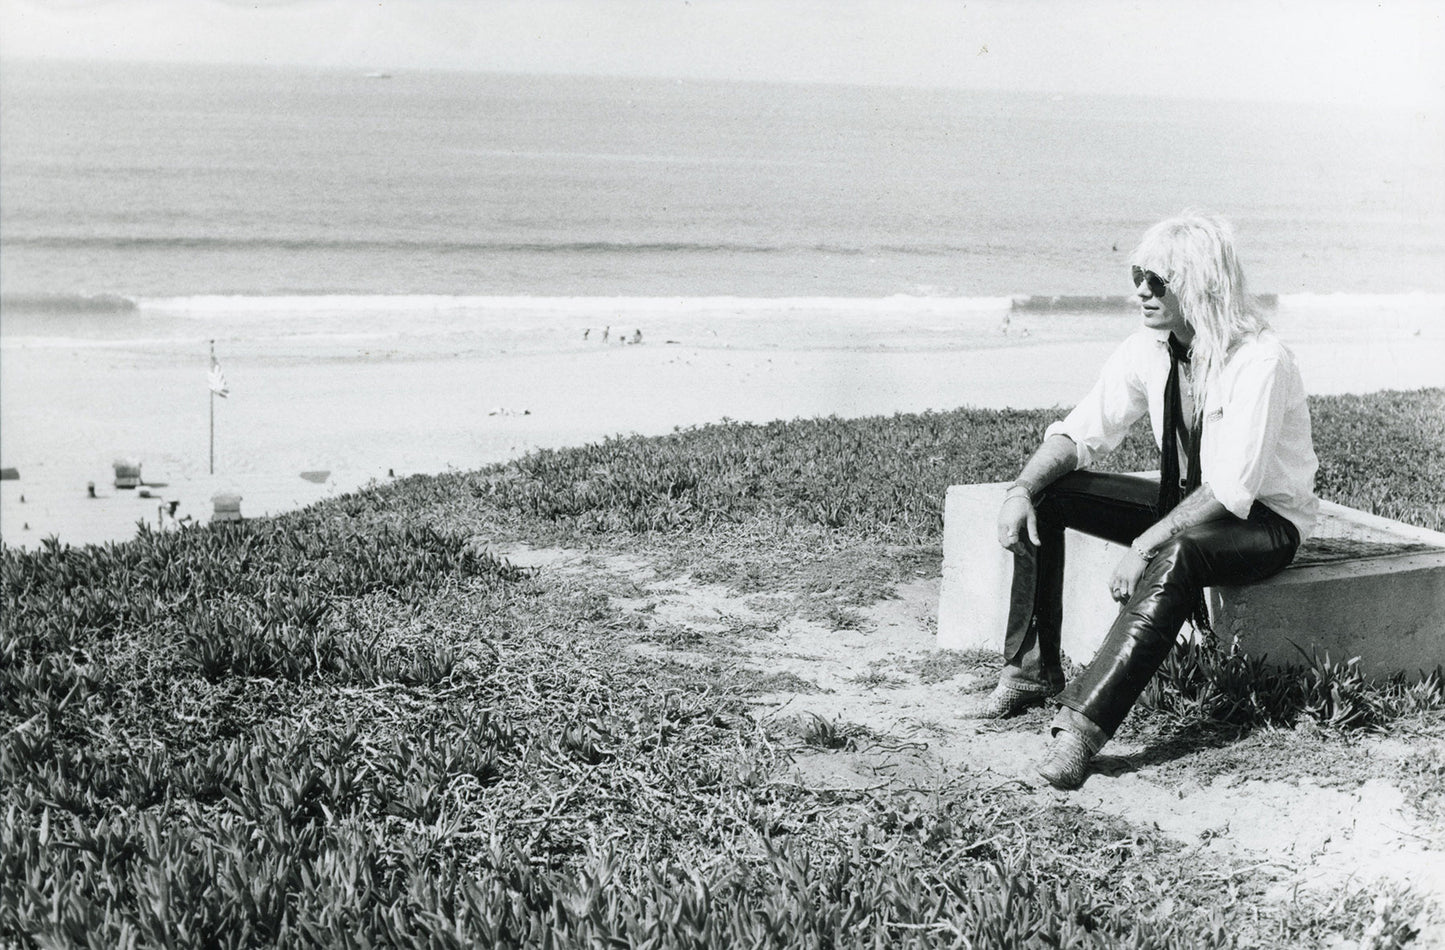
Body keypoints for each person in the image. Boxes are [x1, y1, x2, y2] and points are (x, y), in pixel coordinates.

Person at [975, 212, 1319, 789]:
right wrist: (1021, 489)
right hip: (1184, 503)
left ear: (1200, 285)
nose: (1141, 290)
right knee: (1051, 495)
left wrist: (1143, 546)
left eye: (1158, 280)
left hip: (1264, 521)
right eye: (1138, 276)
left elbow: (1231, 488)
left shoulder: (1260, 359)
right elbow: (1083, 430)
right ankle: (1031, 670)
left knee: (1180, 553)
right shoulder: (1150, 348)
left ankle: (1082, 728)